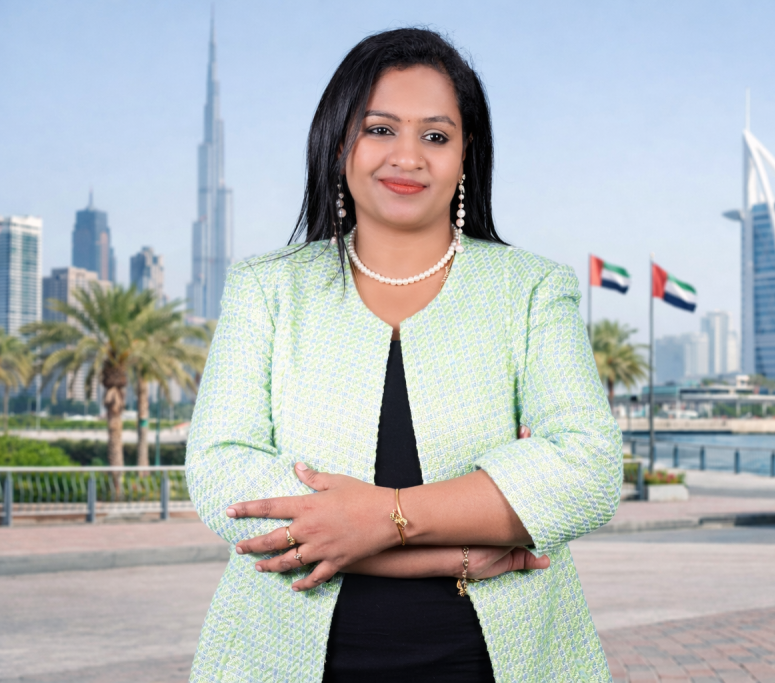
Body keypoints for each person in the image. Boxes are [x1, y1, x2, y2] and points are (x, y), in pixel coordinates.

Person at [185, 27, 622, 683]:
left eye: (436, 136)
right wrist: (455, 550)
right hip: (279, 655)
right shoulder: (266, 288)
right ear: (339, 144)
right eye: (380, 129)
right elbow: (222, 471)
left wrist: (381, 518)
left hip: (496, 661)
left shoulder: (532, 288)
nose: (408, 156)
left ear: (467, 154)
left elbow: (588, 469)